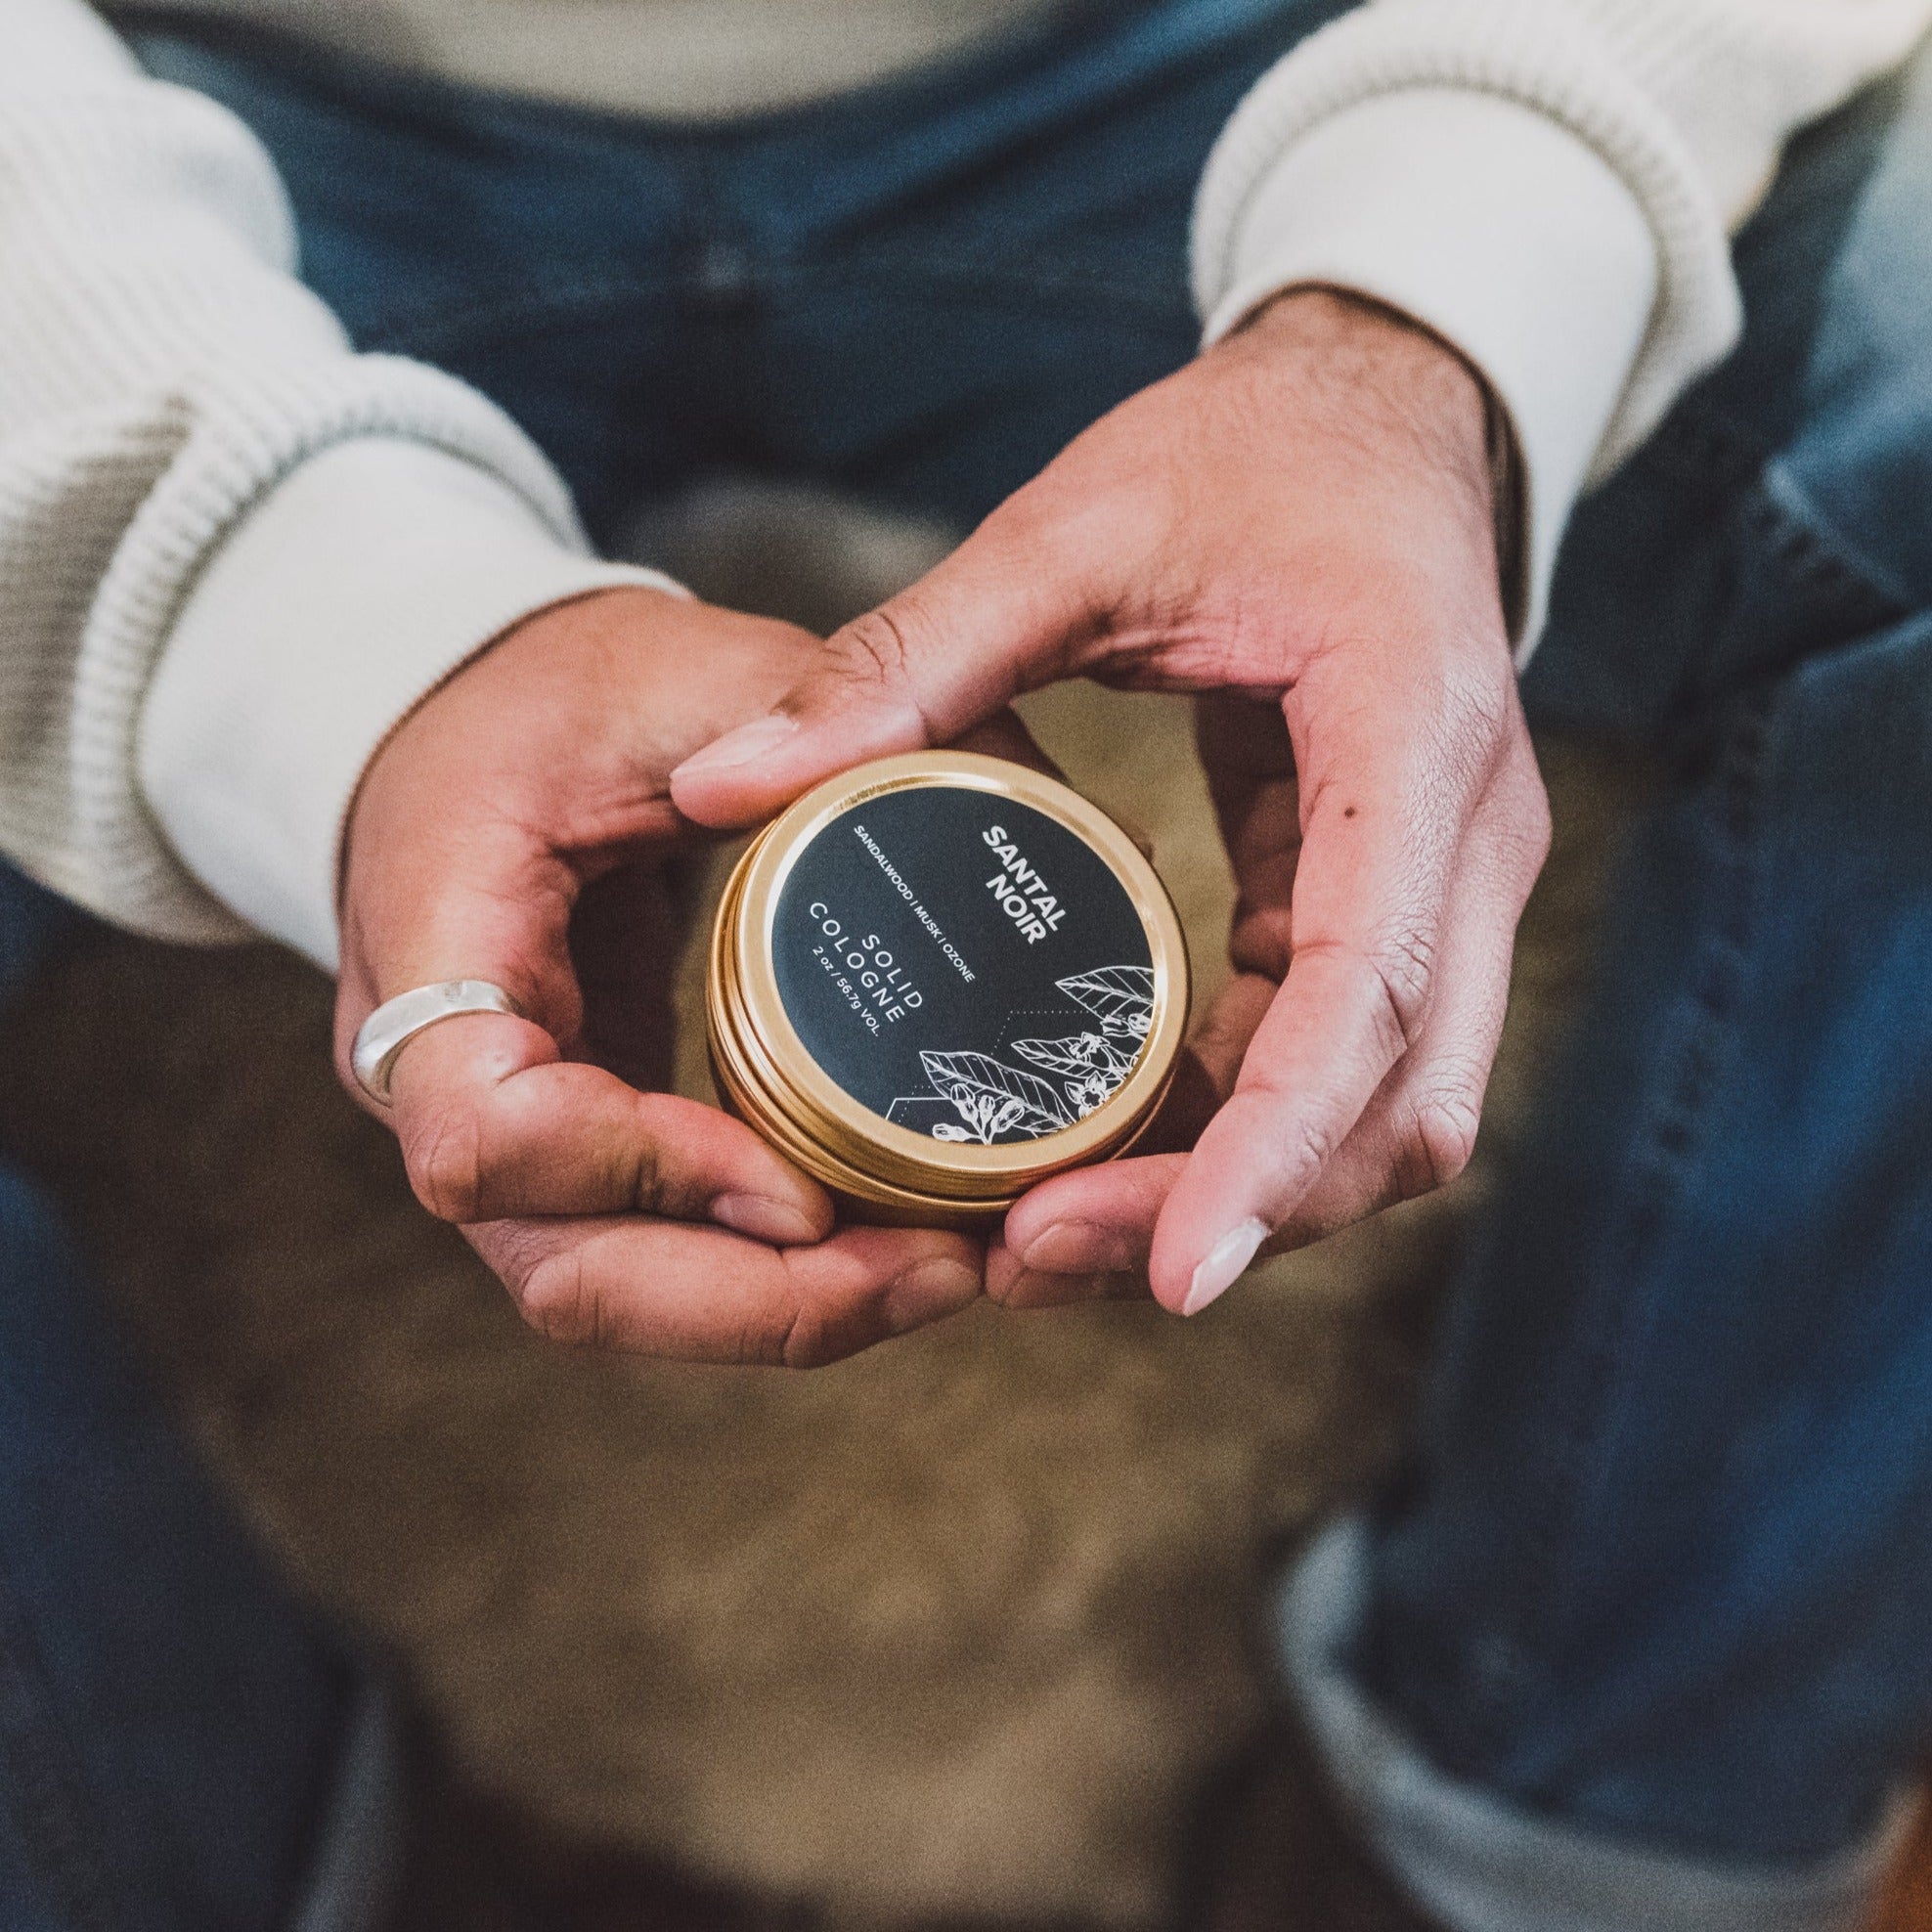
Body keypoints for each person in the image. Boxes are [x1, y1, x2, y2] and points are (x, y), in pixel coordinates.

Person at [4, 0, 1932, 1926]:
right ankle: (196, 1856)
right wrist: (275, 585)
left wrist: (1418, 319)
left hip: (1197, 73)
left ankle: (1533, 1848)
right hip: (174, 141)